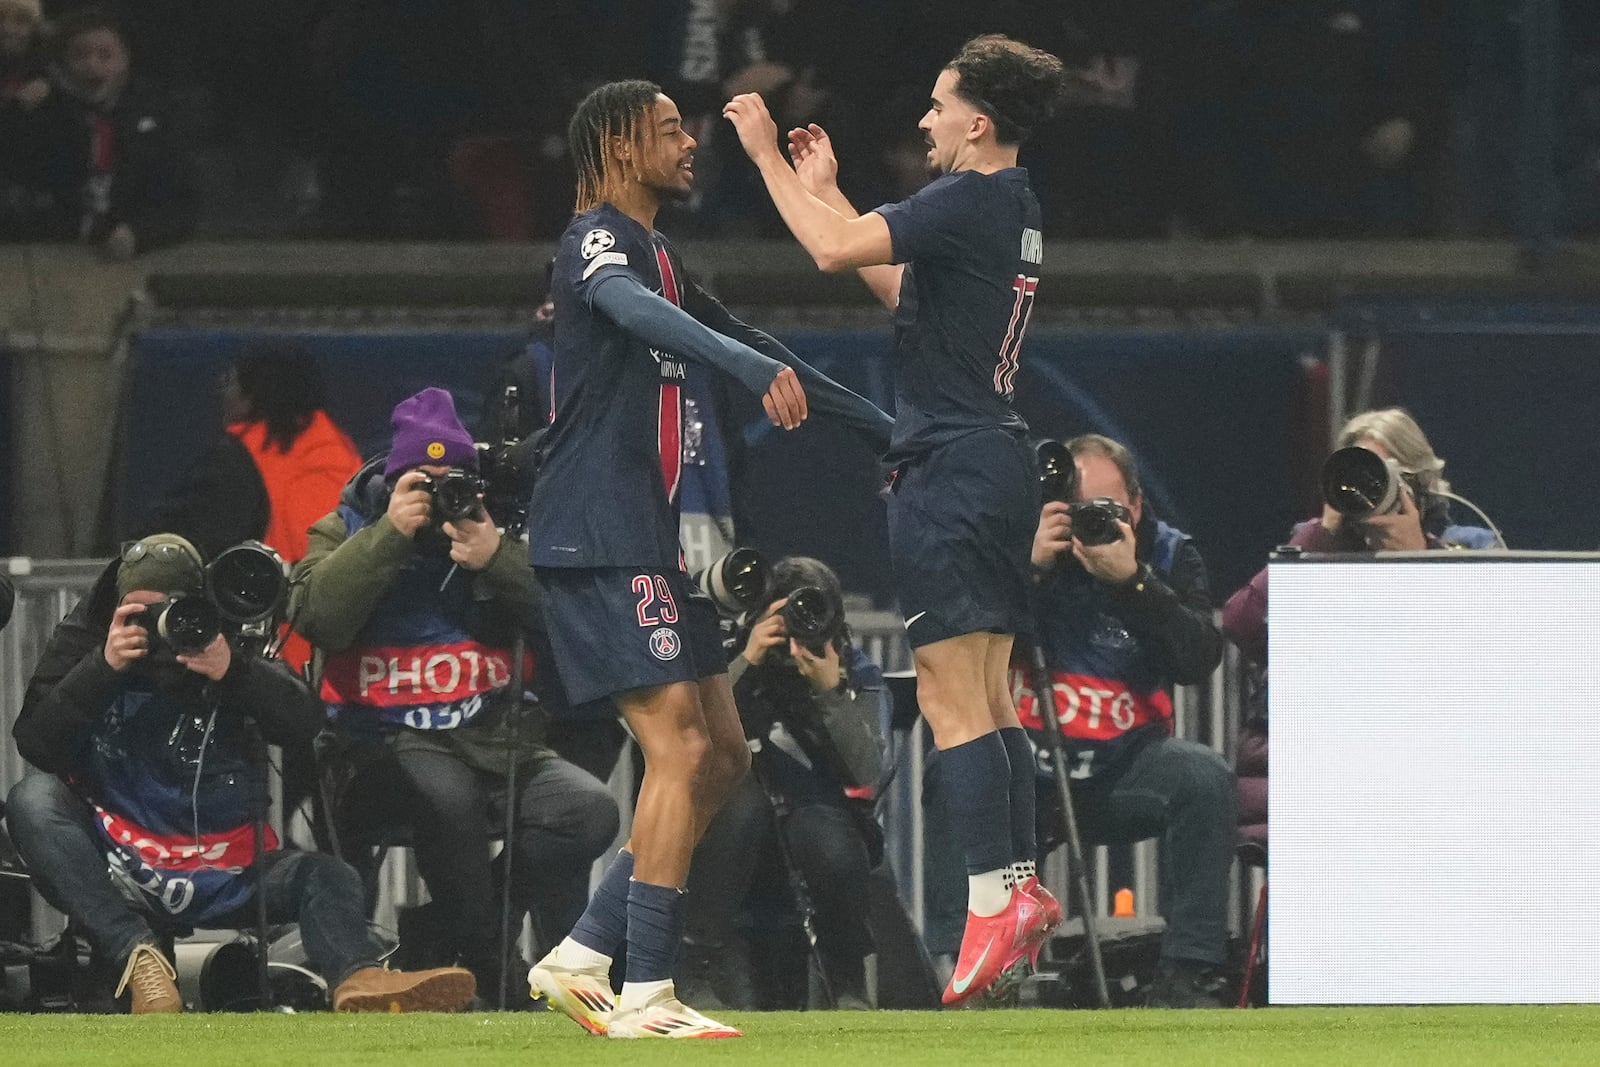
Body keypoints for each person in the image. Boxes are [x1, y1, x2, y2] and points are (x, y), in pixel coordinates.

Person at [525, 79, 893, 1040]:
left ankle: (579, 955)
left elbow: (750, 340)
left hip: (648, 540)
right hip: (597, 532)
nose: (689, 143)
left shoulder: (659, 255)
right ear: (613, 145)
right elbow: (636, 314)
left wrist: (888, 434)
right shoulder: (595, 240)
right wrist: (743, 370)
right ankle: (646, 990)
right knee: (679, 748)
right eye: (665, 131)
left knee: (721, 751)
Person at [724, 33, 1068, 1005]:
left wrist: (760, 160)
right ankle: (1017, 887)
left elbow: (833, 251)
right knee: (991, 696)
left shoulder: (965, 195)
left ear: (978, 121)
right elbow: (895, 284)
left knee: (954, 699)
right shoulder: (1013, 205)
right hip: (994, 461)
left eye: (936, 103)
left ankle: (991, 901)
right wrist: (827, 186)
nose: (924, 119)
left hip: (950, 470)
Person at [6, 533, 475, 1013]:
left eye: (167, 610)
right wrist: (101, 667)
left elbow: (304, 726)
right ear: (115, 607)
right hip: (121, 862)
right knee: (33, 800)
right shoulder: (89, 638)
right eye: (136, 611)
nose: (153, 625)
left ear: (194, 605)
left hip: (227, 865)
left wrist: (234, 670)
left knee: (329, 877)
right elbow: (36, 744)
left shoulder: (225, 639)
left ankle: (359, 980)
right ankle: (139, 960)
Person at [288, 388, 619, 1001]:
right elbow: (318, 619)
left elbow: (572, 623)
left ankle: (442, 931)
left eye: (454, 479)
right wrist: (390, 534)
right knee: (448, 798)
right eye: (424, 479)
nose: (441, 493)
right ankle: (495, 970)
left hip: (491, 740)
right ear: (394, 479)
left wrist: (498, 559)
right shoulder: (347, 526)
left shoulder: (491, 530)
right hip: (377, 743)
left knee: (590, 809)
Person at [1220, 408, 1496, 858]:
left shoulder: (1470, 547)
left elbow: (1484, 663)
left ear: (1419, 481)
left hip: (1424, 761)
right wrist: (1321, 534)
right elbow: (1241, 625)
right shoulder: (1317, 548)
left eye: (1382, 475)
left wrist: (1418, 560)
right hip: (1321, 760)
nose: (1369, 490)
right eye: (1357, 474)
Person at [1017, 434, 1233, 1007]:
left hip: (1125, 774)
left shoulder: (1168, 553)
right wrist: (1027, 570)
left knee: (1203, 778)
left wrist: (1134, 581)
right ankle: (983, 973)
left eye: (1101, 512)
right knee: (954, 770)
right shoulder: (1024, 546)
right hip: (1031, 778)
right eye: (1073, 509)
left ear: (1134, 507)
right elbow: (963, 635)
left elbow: (1199, 659)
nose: (1084, 525)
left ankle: (1189, 976)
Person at [679, 556, 887, 1010]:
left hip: (815, 820)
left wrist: (830, 694)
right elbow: (693, 736)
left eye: (812, 613)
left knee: (829, 838)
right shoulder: (729, 655)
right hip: (732, 826)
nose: (798, 626)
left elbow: (870, 771)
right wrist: (748, 657)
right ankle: (693, 971)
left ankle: (848, 982)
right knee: (743, 805)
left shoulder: (851, 667)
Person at [137, 341, 362, 672]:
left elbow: (165, 543)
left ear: (251, 393)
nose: (221, 390)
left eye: (231, 381)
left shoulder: (237, 461)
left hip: (260, 657)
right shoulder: (343, 457)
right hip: (340, 663)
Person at [27, 5, 197, 257]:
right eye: (80, 55)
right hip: (47, 255)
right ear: (63, 65)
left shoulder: (154, 119)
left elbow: (182, 203)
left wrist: (139, 233)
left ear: (124, 60)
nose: (92, 65)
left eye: (105, 55)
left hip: (124, 258)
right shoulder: (42, 115)